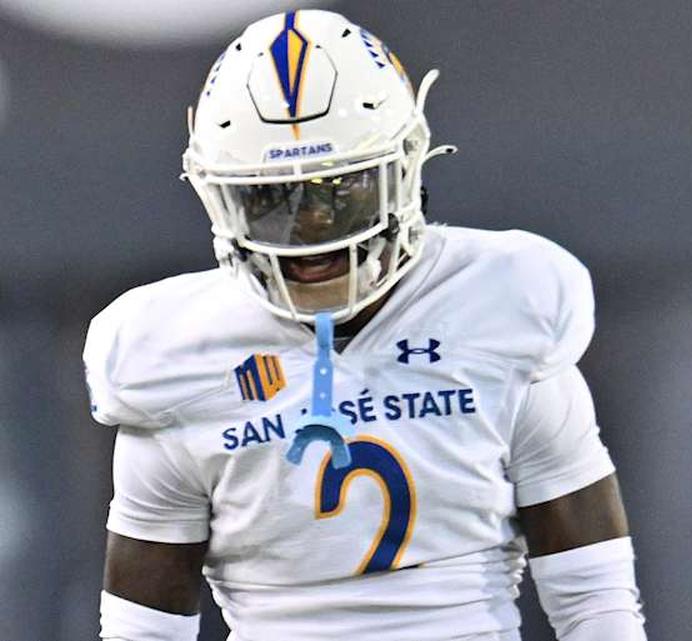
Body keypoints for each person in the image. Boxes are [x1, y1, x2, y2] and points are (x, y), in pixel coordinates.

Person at [85, 9, 646, 641]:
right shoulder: (171, 357)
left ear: (405, 165)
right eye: (270, 201)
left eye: (336, 191)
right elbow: (142, 633)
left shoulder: (505, 311)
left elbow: (594, 600)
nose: (308, 230)